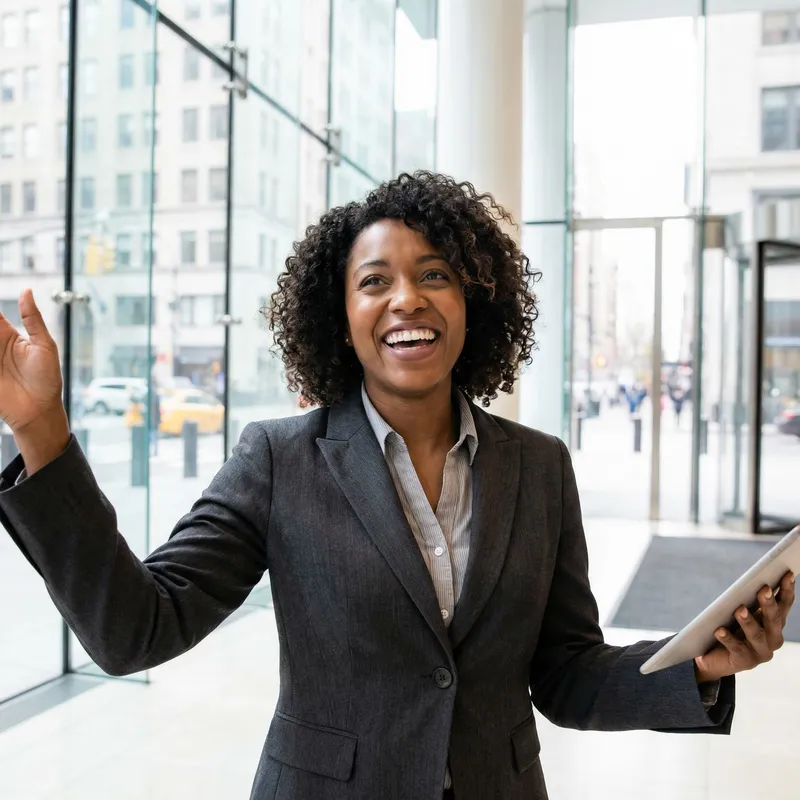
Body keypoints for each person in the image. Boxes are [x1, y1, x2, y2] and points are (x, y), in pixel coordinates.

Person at [0, 172, 794, 800]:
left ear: (472, 302)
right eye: (374, 281)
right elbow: (138, 629)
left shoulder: (540, 466)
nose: (405, 299)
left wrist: (695, 668)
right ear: (340, 315)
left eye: (435, 275)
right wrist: (43, 433)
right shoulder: (280, 459)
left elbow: (566, 673)